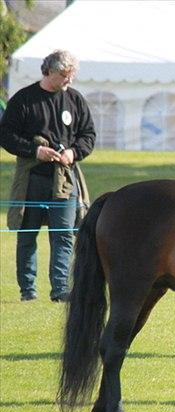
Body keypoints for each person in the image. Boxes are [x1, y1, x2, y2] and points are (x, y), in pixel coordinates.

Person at [0, 49, 94, 302]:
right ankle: (28, 291)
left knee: (63, 234)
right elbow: (6, 136)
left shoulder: (75, 100)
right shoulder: (24, 100)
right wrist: (35, 150)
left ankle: (61, 291)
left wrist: (74, 153)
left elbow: (88, 136)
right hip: (32, 179)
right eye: (65, 74)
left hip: (64, 181)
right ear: (49, 71)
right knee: (27, 233)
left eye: (72, 75)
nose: (69, 80)